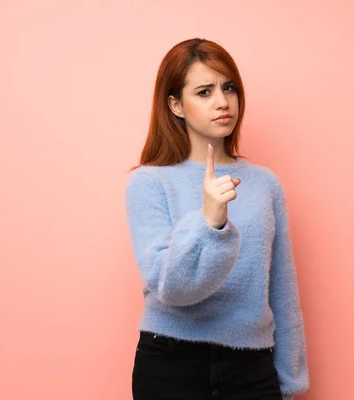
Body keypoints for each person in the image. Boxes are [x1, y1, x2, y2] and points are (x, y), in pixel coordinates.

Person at [125, 38, 309, 400]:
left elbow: (282, 289)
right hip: (171, 364)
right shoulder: (149, 182)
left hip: (252, 367)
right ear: (176, 104)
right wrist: (209, 223)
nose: (222, 102)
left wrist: (290, 381)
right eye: (204, 92)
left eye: (228, 88)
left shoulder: (265, 184)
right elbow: (172, 288)